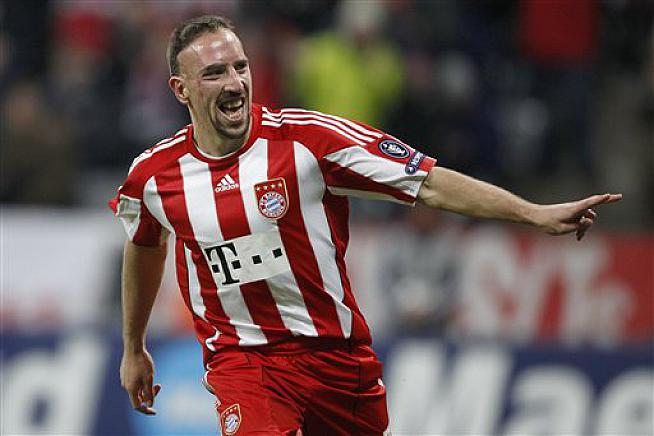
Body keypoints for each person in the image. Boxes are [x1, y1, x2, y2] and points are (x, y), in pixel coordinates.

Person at [110, 15, 621, 436]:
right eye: (214, 73)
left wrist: (533, 213)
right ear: (180, 89)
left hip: (336, 359)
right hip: (243, 362)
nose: (234, 83)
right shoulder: (152, 177)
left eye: (240, 67)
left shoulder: (309, 141)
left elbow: (429, 183)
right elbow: (144, 242)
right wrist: (134, 346)